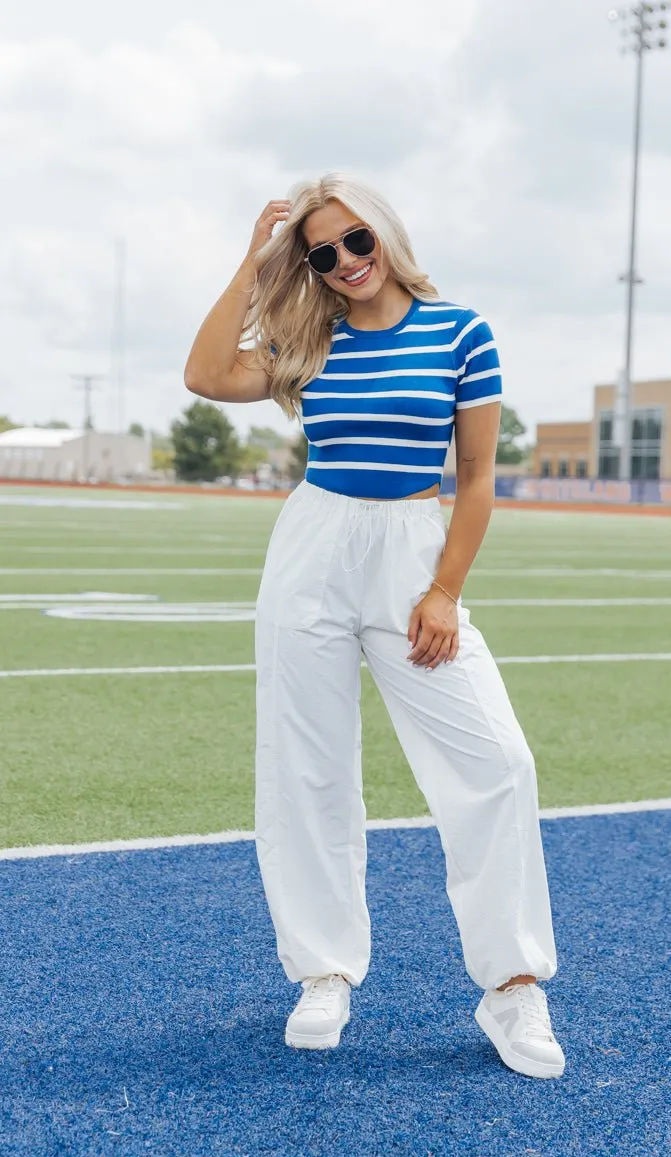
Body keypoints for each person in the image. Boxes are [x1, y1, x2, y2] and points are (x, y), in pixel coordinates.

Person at [184, 173, 565, 1080]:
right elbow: (204, 375)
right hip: (313, 548)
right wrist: (253, 258)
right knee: (305, 764)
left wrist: (442, 593)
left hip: (412, 554)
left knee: (497, 764)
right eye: (323, 252)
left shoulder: (460, 332)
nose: (347, 262)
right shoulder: (307, 341)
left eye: (357, 240)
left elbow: (475, 478)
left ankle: (512, 986)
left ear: (386, 233)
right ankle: (322, 972)